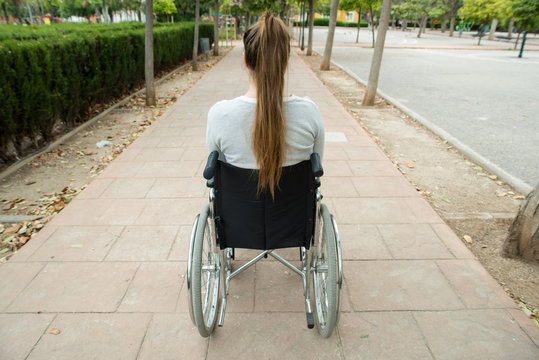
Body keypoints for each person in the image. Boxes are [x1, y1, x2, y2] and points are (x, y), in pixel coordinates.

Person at [206, 10, 325, 198]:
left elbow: (219, 174)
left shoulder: (220, 115)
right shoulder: (309, 112)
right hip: (295, 224)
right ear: (285, 62)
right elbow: (316, 168)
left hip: (238, 223)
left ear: (245, 60)